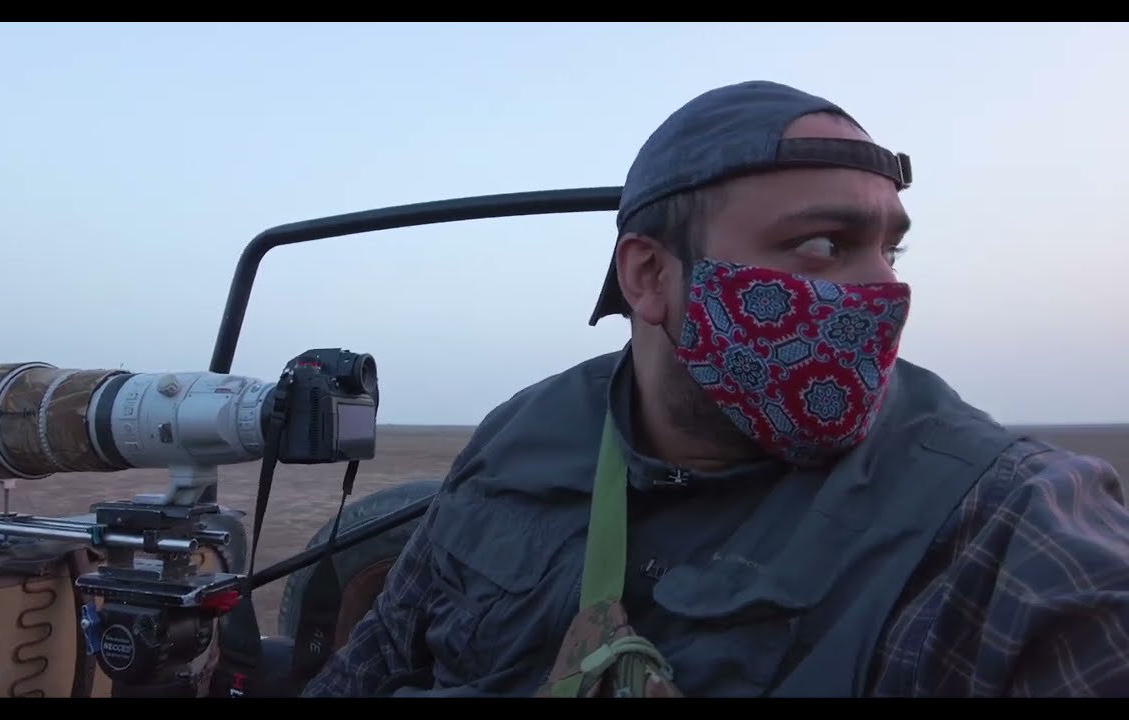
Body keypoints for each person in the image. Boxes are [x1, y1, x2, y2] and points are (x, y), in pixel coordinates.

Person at [298, 80, 1129, 697]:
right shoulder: (519, 439)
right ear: (650, 276)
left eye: (890, 251)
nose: (882, 292)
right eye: (821, 244)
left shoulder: (1001, 525)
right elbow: (370, 668)